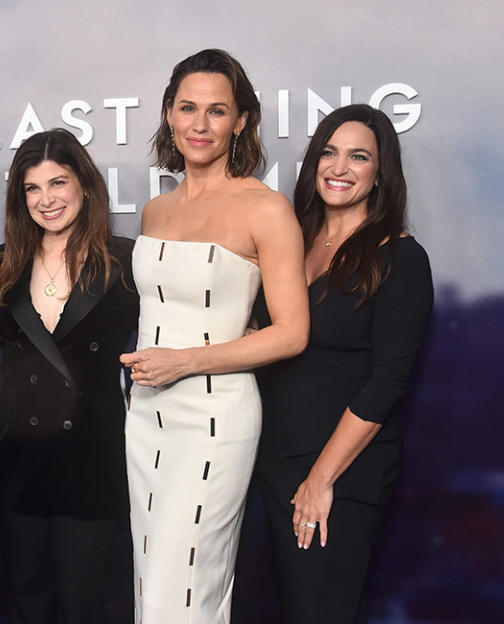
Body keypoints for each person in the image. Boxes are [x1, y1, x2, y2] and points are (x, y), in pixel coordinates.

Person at [118, 49, 309, 623]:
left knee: (186, 590)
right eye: (188, 108)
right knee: (152, 585)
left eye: (217, 111)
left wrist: (185, 362)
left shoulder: (266, 209)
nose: (200, 125)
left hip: (215, 421)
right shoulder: (156, 210)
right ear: (170, 116)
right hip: (146, 417)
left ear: (241, 120)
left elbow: (293, 333)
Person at [252, 104, 433, 623]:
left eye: (359, 156)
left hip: (339, 472)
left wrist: (321, 479)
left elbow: (388, 382)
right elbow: (273, 338)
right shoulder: (293, 244)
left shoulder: (400, 258)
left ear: (380, 175)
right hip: (275, 460)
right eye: (329, 152)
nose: (340, 167)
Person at [0, 129, 138, 623]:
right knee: (28, 600)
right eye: (33, 188)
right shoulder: (2, 265)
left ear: (85, 186)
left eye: (58, 183)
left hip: (91, 460)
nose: (46, 200)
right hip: (19, 462)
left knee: (83, 604)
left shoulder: (126, 260)